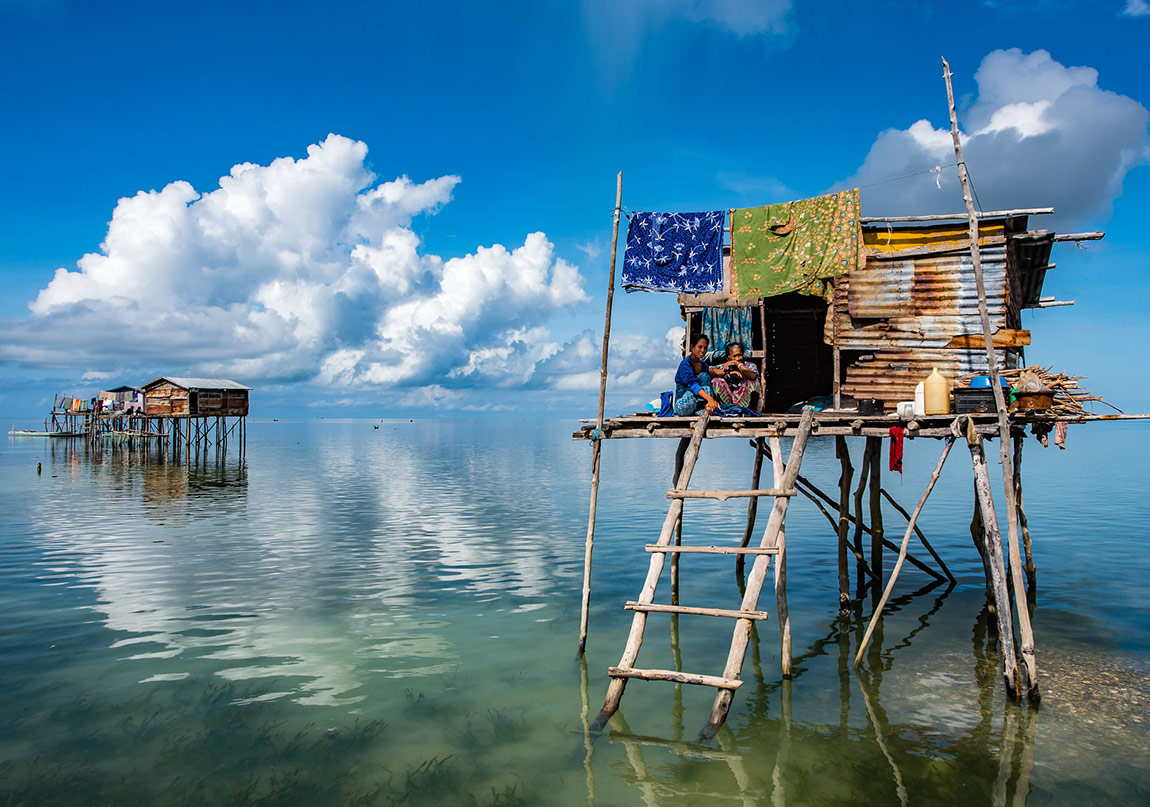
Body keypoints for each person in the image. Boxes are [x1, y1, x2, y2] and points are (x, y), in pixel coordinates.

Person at [673, 334, 720, 415]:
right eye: (700, 347)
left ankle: (706, 408)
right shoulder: (685, 365)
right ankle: (707, 406)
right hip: (684, 405)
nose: (703, 350)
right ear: (692, 347)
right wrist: (710, 399)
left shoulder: (704, 366)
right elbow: (693, 386)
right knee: (702, 385)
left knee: (705, 376)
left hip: (697, 404)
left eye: (705, 348)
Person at [710, 341, 759, 410]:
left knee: (754, 381)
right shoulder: (725, 366)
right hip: (729, 402)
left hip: (745, 403)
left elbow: (753, 376)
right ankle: (728, 409)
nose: (738, 358)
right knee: (716, 380)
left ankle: (751, 412)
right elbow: (708, 371)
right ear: (727, 358)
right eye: (735, 356)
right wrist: (727, 373)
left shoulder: (749, 365)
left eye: (740, 355)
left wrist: (737, 364)